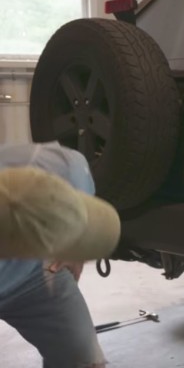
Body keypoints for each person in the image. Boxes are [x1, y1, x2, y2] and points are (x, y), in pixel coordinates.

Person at [0, 141, 120, 368]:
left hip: (31, 276)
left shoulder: (49, 166)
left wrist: (76, 246)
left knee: (83, 360)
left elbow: (75, 166)